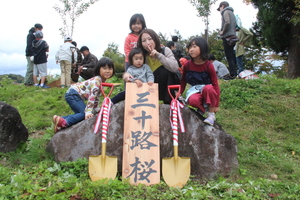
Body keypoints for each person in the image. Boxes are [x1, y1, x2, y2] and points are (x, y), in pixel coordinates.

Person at [52, 57, 115, 133]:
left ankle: (60, 120)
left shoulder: (101, 81)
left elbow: (96, 96)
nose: (107, 71)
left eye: (110, 69)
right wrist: (88, 111)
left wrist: (95, 108)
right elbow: (92, 97)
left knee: (81, 113)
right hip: (73, 94)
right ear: (99, 69)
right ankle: (65, 122)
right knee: (84, 114)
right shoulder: (97, 80)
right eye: (104, 68)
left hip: (73, 94)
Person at [121, 29, 180, 104]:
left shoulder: (165, 50)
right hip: (147, 84)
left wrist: (158, 55)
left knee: (165, 70)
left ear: (155, 39)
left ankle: (169, 103)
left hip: (164, 86)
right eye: (144, 41)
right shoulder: (142, 55)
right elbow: (131, 68)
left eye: (150, 39)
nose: (147, 43)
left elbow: (175, 68)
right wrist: (126, 74)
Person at [179, 37, 220, 126]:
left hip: (208, 90)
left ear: (202, 47)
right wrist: (180, 92)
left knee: (208, 88)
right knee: (193, 101)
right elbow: (183, 80)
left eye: (194, 47)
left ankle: (211, 114)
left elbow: (215, 84)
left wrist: (216, 104)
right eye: (190, 47)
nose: (191, 50)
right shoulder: (187, 65)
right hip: (195, 89)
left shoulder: (209, 65)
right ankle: (201, 110)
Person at [217, 1, 237, 79]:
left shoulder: (225, 12)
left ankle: (232, 74)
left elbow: (227, 22)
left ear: (222, 6)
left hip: (227, 37)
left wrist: (222, 32)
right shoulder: (232, 13)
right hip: (233, 36)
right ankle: (234, 73)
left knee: (229, 56)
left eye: (220, 8)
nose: (220, 10)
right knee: (232, 55)